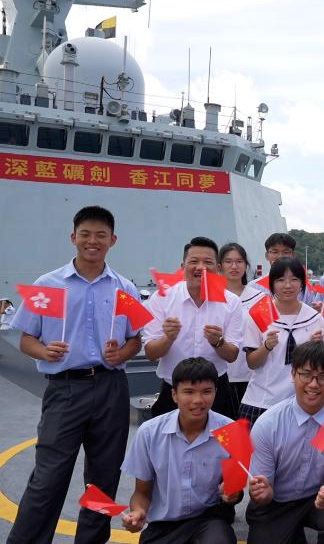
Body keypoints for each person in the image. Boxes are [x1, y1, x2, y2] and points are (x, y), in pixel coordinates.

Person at [7, 206, 142, 544]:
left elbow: (135, 340)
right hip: (65, 389)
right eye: (85, 234)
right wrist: (44, 351)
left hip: (111, 387)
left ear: (112, 240)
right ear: (73, 237)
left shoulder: (125, 288)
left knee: (103, 479)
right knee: (48, 477)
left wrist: (122, 353)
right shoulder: (49, 285)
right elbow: (26, 339)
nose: (92, 241)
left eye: (101, 235)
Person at [246, 341, 324, 543]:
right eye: (306, 374)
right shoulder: (268, 423)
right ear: (293, 374)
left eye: (323, 376)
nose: (313, 384)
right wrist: (262, 492)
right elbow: (263, 487)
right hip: (277, 502)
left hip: (322, 499)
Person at [120, 358, 241, 543]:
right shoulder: (150, 433)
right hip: (163, 525)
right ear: (174, 395)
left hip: (208, 520)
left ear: (216, 393)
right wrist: (138, 512)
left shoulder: (230, 432)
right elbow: (142, 492)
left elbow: (235, 490)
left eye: (207, 391)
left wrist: (233, 493)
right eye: (189, 392)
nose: (198, 400)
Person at [144, 236, 243, 418]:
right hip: (173, 391)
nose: (201, 267)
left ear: (218, 268)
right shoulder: (161, 298)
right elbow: (151, 353)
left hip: (216, 391)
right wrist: (168, 338)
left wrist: (218, 342)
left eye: (208, 262)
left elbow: (232, 355)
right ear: (183, 267)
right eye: (194, 261)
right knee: (166, 436)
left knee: (220, 436)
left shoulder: (232, 302)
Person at [238, 257, 324, 423]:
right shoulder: (260, 313)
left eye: (294, 279)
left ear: (302, 283)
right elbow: (252, 363)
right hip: (262, 400)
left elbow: (320, 367)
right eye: (280, 280)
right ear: (271, 284)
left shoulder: (314, 318)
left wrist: (318, 348)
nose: (287, 285)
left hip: (300, 403)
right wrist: (266, 347)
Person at [220, 242, 263, 403]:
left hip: (251, 374)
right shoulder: (210, 298)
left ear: (246, 265)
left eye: (239, 261)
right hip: (219, 373)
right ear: (220, 266)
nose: (234, 266)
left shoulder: (260, 298)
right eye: (228, 261)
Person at [258, 232, 318, 308]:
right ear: (267, 255)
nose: (280, 256)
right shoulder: (254, 286)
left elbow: (311, 311)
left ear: (293, 255)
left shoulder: (304, 288)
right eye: (275, 252)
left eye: (286, 252)